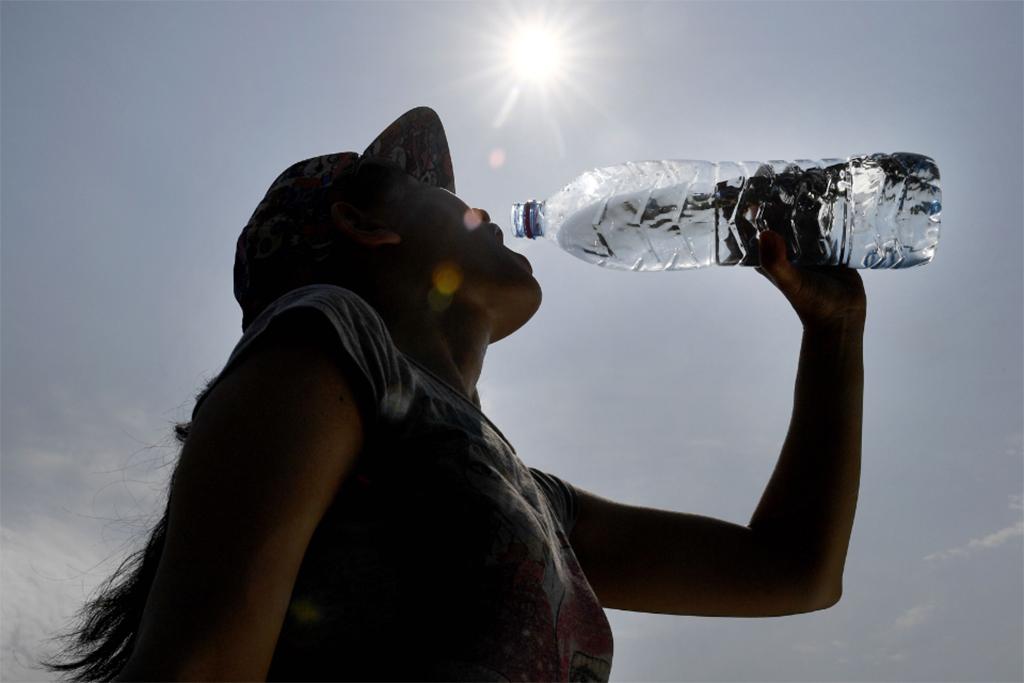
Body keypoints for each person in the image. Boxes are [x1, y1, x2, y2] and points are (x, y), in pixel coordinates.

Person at [43, 107, 866, 682]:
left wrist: (832, 332)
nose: (485, 212)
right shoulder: (327, 341)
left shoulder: (527, 494)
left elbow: (793, 572)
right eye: (448, 197)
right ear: (366, 225)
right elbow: (197, 669)